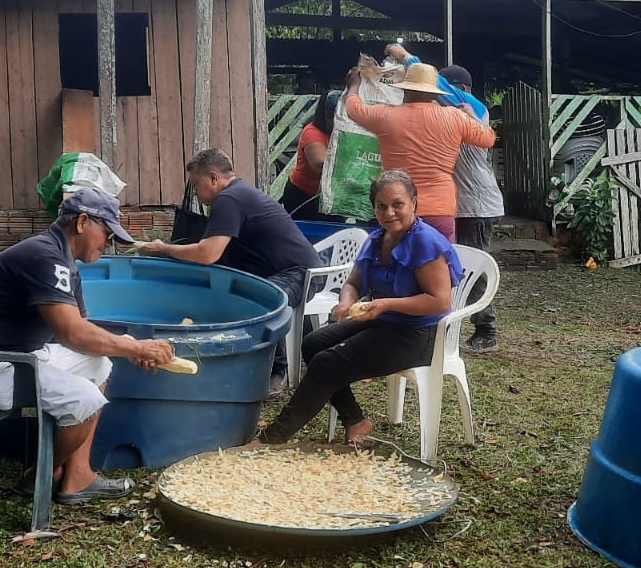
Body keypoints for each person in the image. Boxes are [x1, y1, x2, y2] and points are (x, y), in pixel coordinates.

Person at [0, 188, 175, 505]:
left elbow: (83, 332)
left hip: (7, 359)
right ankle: (40, 475)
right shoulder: (44, 256)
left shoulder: (63, 260)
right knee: (86, 398)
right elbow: (72, 333)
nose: (109, 243)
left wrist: (127, 346)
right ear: (83, 222)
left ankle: (77, 476)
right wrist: (138, 349)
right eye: (107, 234)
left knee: (99, 363)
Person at [256, 170, 463, 445]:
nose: (389, 213)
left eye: (398, 204)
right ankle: (355, 420)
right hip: (382, 321)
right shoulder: (378, 238)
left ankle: (273, 438)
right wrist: (346, 301)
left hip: (418, 334)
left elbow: (440, 301)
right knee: (314, 344)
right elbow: (354, 282)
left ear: (414, 202)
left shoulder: (425, 242)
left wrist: (386, 304)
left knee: (327, 363)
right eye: (381, 206)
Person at [139, 149, 320, 392]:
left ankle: (276, 372)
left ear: (213, 177)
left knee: (262, 303)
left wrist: (164, 249)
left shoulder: (229, 199)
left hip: (299, 274)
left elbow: (207, 253)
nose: (195, 192)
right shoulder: (237, 194)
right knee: (231, 290)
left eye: (196, 184)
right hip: (280, 271)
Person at [343, 60, 494, 242]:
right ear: (434, 93)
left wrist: (354, 85)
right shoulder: (455, 117)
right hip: (440, 208)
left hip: (399, 207)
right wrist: (470, 115)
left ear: (405, 90)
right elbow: (488, 138)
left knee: (399, 258)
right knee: (440, 258)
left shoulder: (386, 115)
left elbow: (353, 109)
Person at [439, 64, 501, 353]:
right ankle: (453, 324)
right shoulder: (453, 114)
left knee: (474, 269)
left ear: (462, 90)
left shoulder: (476, 112)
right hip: (464, 205)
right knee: (458, 267)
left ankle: (486, 331)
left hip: (477, 205)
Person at [280, 91, 341, 220]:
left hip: (334, 198)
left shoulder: (345, 134)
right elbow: (319, 165)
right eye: (335, 118)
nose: (339, 123)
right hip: (304, 196)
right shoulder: (312, 132)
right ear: (325, 116)